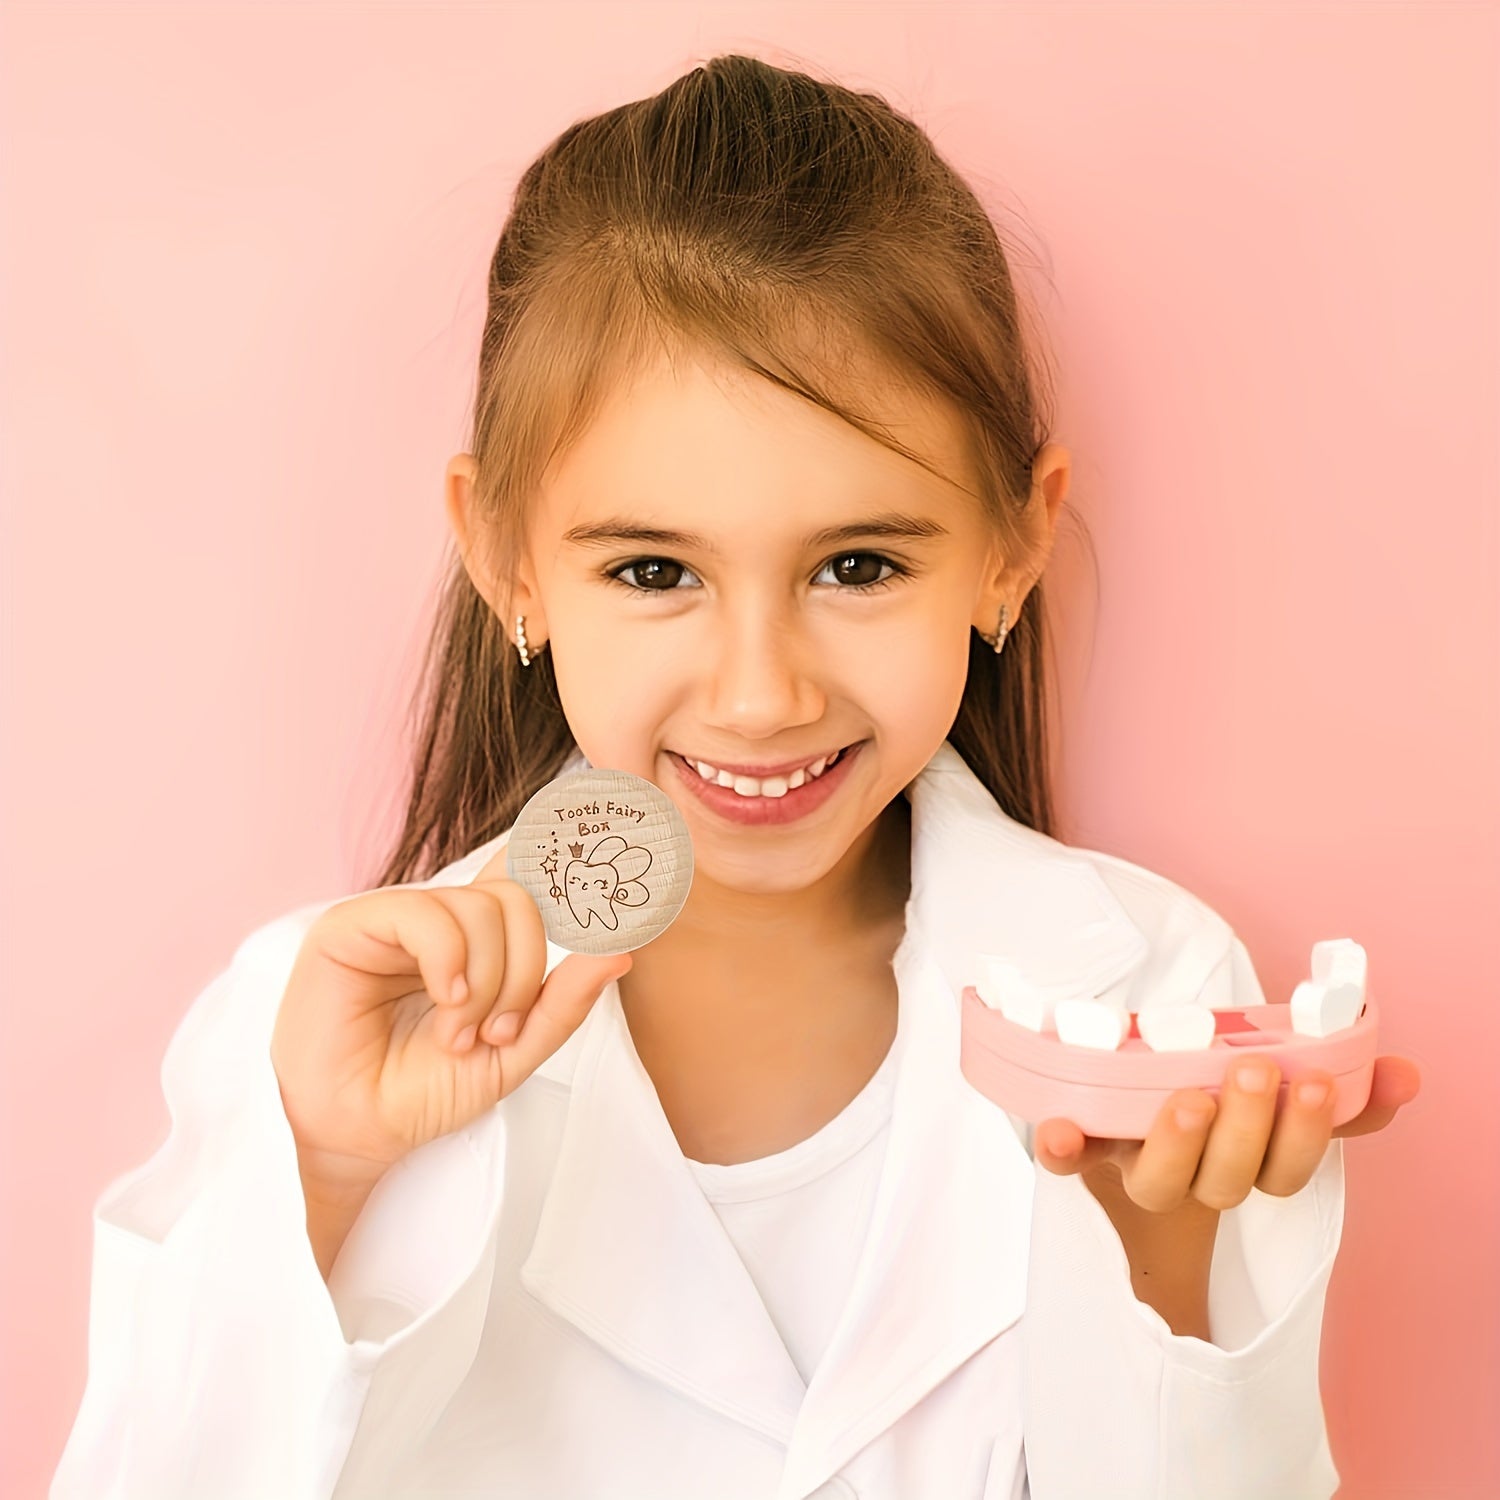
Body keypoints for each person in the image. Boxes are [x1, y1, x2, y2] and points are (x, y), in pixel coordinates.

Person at [50, 53, 1420, 1500]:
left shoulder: (1155, 998)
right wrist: (324, 1177)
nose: (762, 695)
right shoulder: (311, 1030)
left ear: (1012, 549)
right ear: (509, 559)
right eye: (655, 572)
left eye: (859, 567)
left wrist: (1161, 1278)